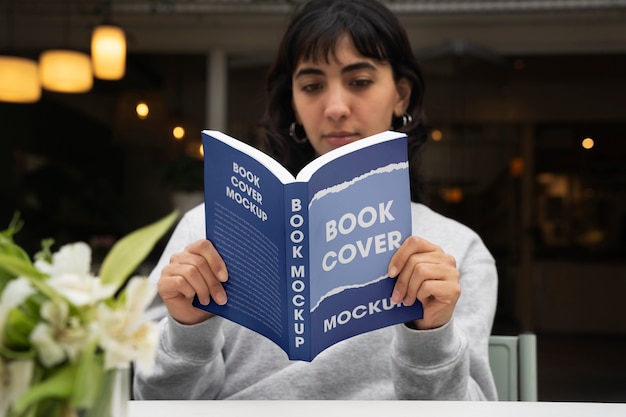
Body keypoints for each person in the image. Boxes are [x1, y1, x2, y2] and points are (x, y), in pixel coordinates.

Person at [133, 0, 498, 401]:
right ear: (292, 101)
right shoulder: (204, 231)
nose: (336, 108)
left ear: (402, 96)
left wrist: (431, 336)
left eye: (359, 81)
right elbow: (155, 402)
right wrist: (188, 331)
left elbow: (473, 409)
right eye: (311, 86)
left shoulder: (458, 249)